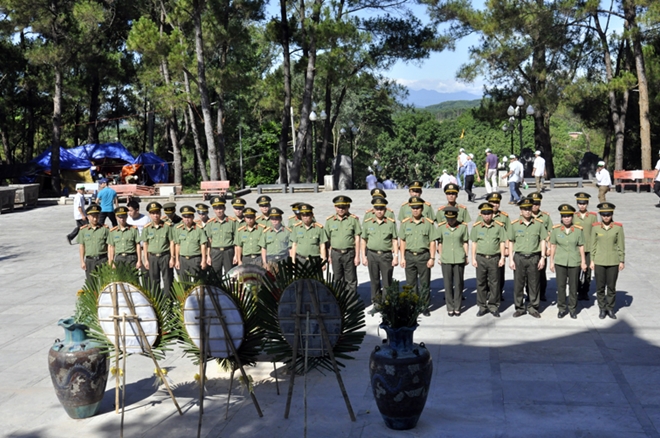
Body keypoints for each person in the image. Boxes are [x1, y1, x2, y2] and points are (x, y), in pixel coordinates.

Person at [508, 197, 548, 318]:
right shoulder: (514, 225)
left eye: (529, 209)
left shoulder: (538, 224)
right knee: (518, 284)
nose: (527, 211)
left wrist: (543, 257)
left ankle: (533, 307)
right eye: (525, 209)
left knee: (534, 284)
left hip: (534, 257)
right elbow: (511, 241)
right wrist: (510, 259)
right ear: (521, 211)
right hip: (519, 257)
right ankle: (519, 308)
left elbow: (543, 240)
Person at [399, 196, 436, 316]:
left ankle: (424, 306)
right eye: (413, 208)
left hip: (423, 256)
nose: (415, 210)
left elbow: (432, 241)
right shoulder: (405, 223)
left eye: (418, 208)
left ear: (422, 209)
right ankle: (412, 305)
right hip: (409, 256)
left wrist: (432, 258)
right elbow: (402, 241)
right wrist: (402, 257)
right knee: (410, 284)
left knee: (424, 283)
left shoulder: (428, 224)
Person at [549, 204, 587, 319]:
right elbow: (553, 246)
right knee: (560, 286)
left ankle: (572, 308)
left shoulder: (578, 230)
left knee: (573, 286)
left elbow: (581, 246)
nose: (566, 218)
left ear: (572, 217)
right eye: (564, 216)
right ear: (561, 217)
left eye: (569, 216)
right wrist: (551, 262)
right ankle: (561, 308)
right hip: (560, 262)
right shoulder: (556, 230)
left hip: (574, 262)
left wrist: (583, 262)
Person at [470, 203, 507, 318]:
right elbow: (474, 243)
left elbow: (502, 242)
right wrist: (473, 258)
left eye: (489, 213)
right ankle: (482, 306)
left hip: (494, 258)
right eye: (484, 214)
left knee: (494, 283)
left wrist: (502, 257)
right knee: (481, 283)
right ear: (481, 214)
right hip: (481, 258)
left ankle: (493, 306)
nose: (487, 216)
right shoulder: (476, 227)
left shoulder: (499, 226)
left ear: (492, 214)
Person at [591, 202, 625, 319]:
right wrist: (592, 260)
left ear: (612, 215)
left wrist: (621, 260)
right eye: (603, 215)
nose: (606, 217)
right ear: (600, 215)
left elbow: (621, 245)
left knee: (611, 287)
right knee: (600, 287)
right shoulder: (595, 227)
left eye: (608, 215)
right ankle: (602, 308)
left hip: (613, 261)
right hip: (599, 261)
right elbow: (593, 245)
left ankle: (610, 308)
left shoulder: (617, 228)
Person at [361, 197, 398, 303]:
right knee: (374, 280)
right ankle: (376, 302)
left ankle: (386, 302)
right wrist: (363, 256)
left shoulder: (390, 223)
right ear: (373, 210)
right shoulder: (368, 223)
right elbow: (364, 240)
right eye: (377, 209)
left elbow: (394, 240)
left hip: (386, 255)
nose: (379, 211)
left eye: (381, 209)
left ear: (385, 210)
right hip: (372, 254)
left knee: (387, 281)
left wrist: (396, 257)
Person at [436, 206, 469, 317]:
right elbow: (440, 243)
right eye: (448, 218)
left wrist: (466, 256)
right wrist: (440, 257)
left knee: (459, 284)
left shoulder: (462, 227)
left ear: (456, 217)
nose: (450, 221)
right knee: (447, 284)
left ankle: (457, 307)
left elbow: (465, 242)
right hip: (446, 259)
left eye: (453, 218)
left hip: (459, 258)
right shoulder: (441, 227)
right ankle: (450, 307)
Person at [325, 196, 361, 294]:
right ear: (335, 207)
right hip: (335, 253)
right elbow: (327, 240)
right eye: (338, 207)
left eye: (343, 207)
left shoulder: (353, 220)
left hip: (349, 253)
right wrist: (328, 255)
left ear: (348, 207)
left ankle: (351, 301)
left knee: (351, 279)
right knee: (337, 278)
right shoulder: (330, 221)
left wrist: (357, 256)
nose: (341, 209)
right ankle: (340, 300)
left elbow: (357, 238)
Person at [141, 202, 175, 298]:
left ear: (160, 213)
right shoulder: (147, 228)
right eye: (153, 213)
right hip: (152, 257)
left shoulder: (167, 226)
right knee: (154, 280)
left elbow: (171, 242)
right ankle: (157, 300)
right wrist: (146, 260)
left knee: (167, 279)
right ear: (149, 215)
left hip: (165, 256)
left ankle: (168, 300)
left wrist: (172, 258)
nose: (155, 215)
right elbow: (145, 244)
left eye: (157, 213)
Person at [573, 192, 598, 300]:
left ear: (587, 204)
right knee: (576, 271)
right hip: (576, 248)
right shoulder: (573, 216)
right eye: (580, 203)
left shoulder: (593, 216)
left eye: (584, 203)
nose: (582, 206)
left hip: (588, 248)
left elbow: (595, 231)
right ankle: (578, 290)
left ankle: (585, 291)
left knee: (587, 272)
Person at [291, 204, 328, 273]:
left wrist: (323, 261)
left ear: (312, 215)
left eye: (307, 215)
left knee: (315, 279)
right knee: (300, 279)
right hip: (300, 260)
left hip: (314, 260)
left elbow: (322, 246)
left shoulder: (319, 228)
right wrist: (293, 260)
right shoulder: (296, 228)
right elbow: (294, 245)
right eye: (303, 215)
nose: (305, 217)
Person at [487, 192, 511, 302]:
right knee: (487, 274)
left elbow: (508, 233)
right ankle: (488, 292)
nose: (495, 204)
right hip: (487, 249)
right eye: (492, 202)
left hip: (499, 250)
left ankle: (499, 293)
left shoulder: (504, 217)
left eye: (497, 202)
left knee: (500, 274)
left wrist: (507, 248)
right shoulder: (482, 215)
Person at [529, 192, 553, 302]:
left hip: (541, 249)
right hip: (530, 248)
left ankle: (542, 293)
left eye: (537, 204)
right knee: (529, 274)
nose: (535, 206)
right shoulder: (525, 215)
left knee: (541, 273)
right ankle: (530, 293)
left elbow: (550, 232)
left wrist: (549, 248)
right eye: (533, 204)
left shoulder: (545, 216)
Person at [205, 196, 237, 276]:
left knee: (230, 275)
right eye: (216, 209)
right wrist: (208, 256)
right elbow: (209, 241)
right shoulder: (210, 223)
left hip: (228, 251)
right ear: (213, 210)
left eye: (220, 208)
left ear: (224, 208)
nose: (219, 211)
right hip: (215, 252)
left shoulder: (232, 222)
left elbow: (236, 240)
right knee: (215, 275)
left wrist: (236, 255)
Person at [174, 205, 208, 280]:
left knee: (197, 281)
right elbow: (177, 245)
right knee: (183, 281)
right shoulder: (178, 229)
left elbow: (203, 245)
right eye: (185, 217)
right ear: (182, 218)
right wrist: (177, 260)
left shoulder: (199, 229)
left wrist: (203, 260)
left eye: (189, 217)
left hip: (195, 259)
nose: (187, 219)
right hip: (183, 259)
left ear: (193, 217)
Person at [76, 204, 109, 281]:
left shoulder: (105, 229)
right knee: (91, 283)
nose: (95, 219)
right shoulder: (83, 230)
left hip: (103, 259)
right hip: (90, 261)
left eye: (97, 216)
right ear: (88, 217)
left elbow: (109, 246)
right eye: (93, 216)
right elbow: (82, 246)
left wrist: (110, 260)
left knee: (105, 283)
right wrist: (82, 261)